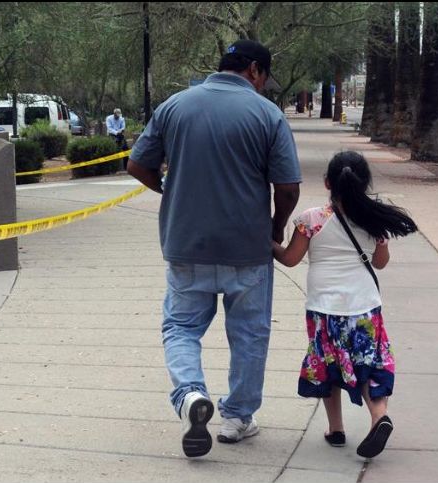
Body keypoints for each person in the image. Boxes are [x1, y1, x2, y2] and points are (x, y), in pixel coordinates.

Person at [127, 40, 301, 458]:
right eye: (264, 78)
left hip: (187, 244)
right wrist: (273, 230)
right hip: (248, 249)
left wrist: (169, 189)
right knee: (249, 335)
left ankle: (189, 396)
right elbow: (288, 188)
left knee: (181, 328)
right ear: (255, 71)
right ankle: (238, 417)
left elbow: (136, 164)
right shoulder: (267, 114)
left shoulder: (175, 106)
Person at [272, 151, 418, 459]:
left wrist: (266, 241)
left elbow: (289, 258)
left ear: (327, 182)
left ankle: (336, 429)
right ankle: (379, 416)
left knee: (329, 363)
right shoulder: (372, 220)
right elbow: (380, 263)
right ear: (365, 183)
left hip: (324, 309)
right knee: (369, 363)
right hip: (365, 307)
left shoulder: (311, 220)